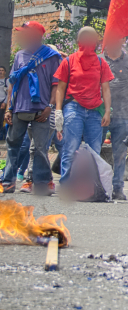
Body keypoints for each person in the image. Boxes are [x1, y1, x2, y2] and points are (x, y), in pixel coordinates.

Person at [1, 21, 61, 195]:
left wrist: (50, 107)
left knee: (41, 148)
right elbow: (12, 83)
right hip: (19, 108)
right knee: (13, 145)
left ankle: (42, 182)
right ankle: (8, 182)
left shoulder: (51, 57)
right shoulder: (19, 55)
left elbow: (55, 85)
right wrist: (9, 109)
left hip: (42, 109)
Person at [54, 27, 113, 188]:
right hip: (74, 107)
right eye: (84, 37)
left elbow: (106, 89)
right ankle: (66, 185)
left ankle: (91, 186)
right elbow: (60, 87)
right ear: (79, 40)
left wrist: (107, 111)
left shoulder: (101, 62)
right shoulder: (68, 61)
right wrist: (58, 110)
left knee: (94, 151)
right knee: (70, 147)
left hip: (95, 111)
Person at [101, 37, 128, 200]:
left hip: (122, 114)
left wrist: (126, 97)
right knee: (95, 149)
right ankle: (98, 184)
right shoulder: (99, 59)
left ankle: (118, 187)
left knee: (120, 152)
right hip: (101, 113)